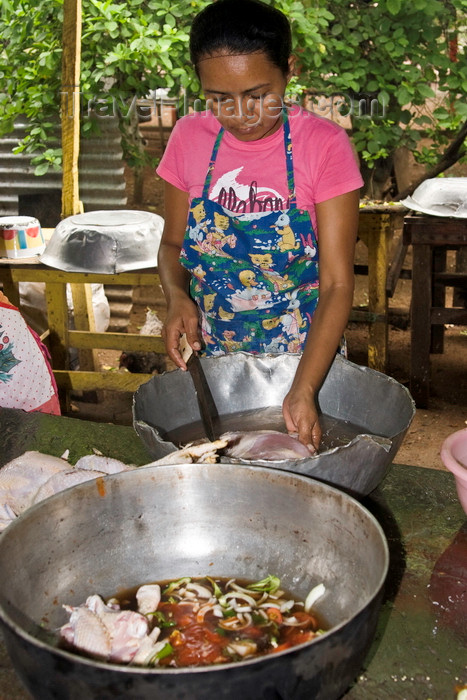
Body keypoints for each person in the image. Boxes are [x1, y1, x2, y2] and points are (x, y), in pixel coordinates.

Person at [156, 0, 363, 453]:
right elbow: (173, 243)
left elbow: (336, 284)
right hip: (212, 362)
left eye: (257, 94)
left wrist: (305, 388)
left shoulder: (324, 147)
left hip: (306, 361)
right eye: (219, 99)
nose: (240, 114)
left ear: (290, 69)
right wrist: (176, 297)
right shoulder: (189, 139)